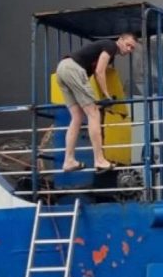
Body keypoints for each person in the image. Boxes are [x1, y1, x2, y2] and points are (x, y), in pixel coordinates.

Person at [55, 32, 138, 172]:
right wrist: (107, 96)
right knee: (94, 114)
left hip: (62, 69)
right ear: (120, 40)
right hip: (74, 69)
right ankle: (99, 160)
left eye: (132, 48)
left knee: (77, 117)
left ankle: (68, 160)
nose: (129, 49)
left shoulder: (107, 51)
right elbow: (99, 72)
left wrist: (97, 100)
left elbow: (93, 75)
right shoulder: (111, 46)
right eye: (128, 45)